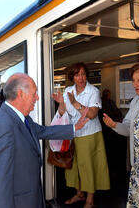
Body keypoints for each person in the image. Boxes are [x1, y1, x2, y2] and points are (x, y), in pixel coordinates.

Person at [0, 73, 89, 208]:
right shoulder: (3, 125)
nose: (37, 98)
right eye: (34, 93)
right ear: (21, 94)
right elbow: (0, 182)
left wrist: (75, 128)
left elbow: (43, 131)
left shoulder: (21, 117)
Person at [53, 63, 110, 208]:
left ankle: (90, 200)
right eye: (77, 75)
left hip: (89, 134)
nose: (81, 78)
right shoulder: (68, 90)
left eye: (83, 74)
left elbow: (92, 114)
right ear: (72, 77)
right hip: (73, 133)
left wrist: (74, 102)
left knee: (88, 167)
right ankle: (79, 194)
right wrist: (61, 104)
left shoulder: (93, 91)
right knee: (74, 166)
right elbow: (62, 112)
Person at [103, 64, 139, 207]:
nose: (135, 84)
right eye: (133, 80)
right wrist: (114, 125)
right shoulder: (135, 102)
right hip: (137, 166)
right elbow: (127, 129)